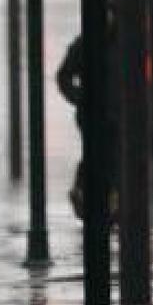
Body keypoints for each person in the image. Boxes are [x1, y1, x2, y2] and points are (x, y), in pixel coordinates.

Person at [57, 12, 122, 221]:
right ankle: (91, 199)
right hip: (92, 115)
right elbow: (64, 76)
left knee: (114, 158)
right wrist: (80, 98)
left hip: (119, 115)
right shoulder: (84, 44)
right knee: (98, 156)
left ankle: (110, 205)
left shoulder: (126, 42)